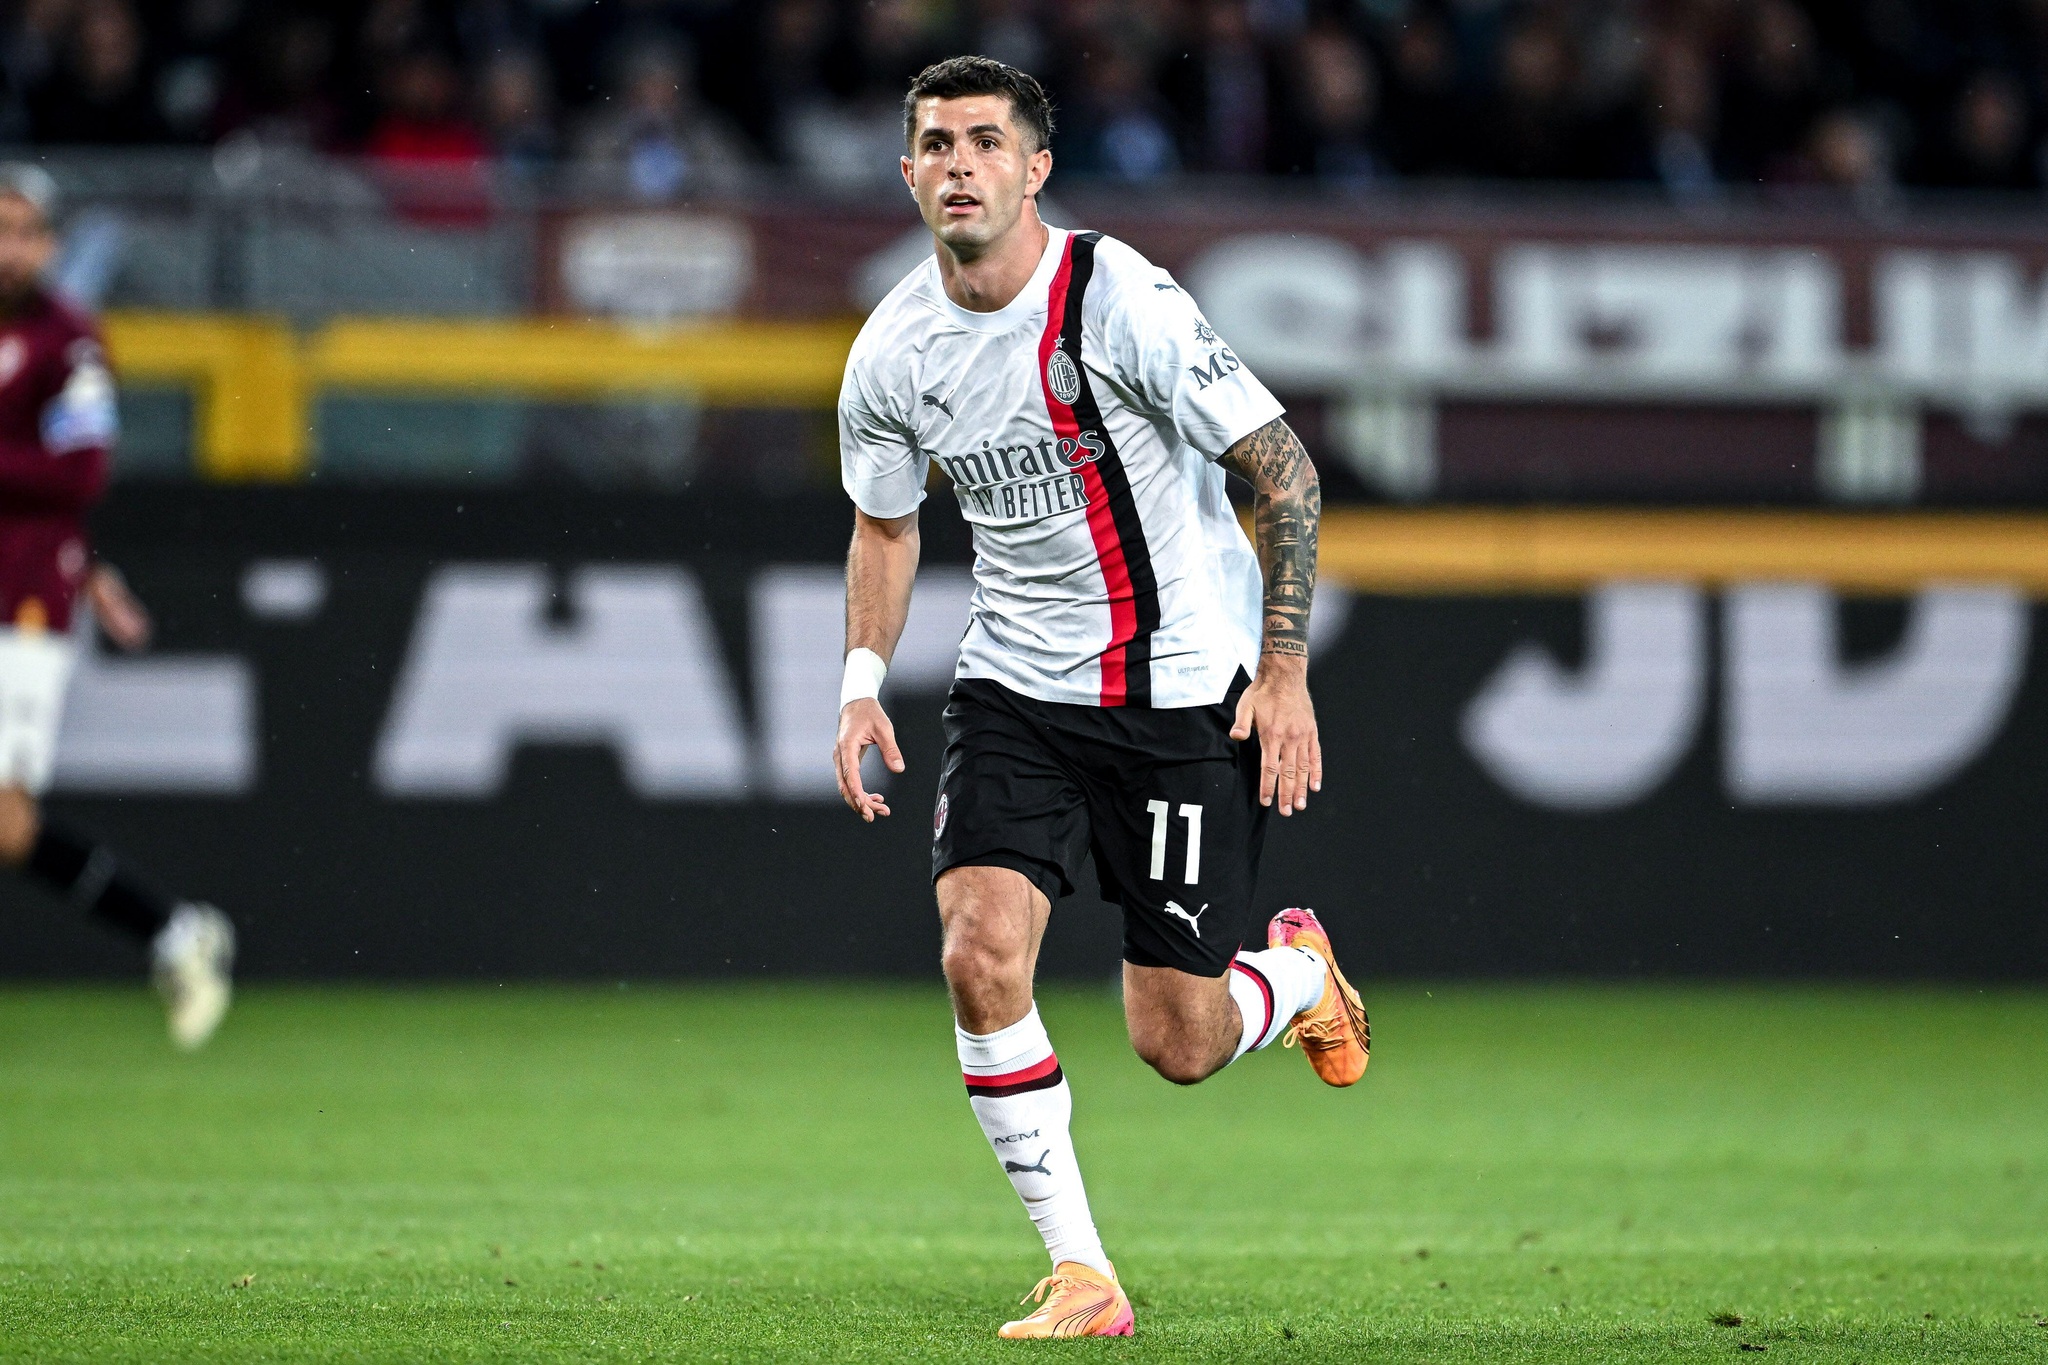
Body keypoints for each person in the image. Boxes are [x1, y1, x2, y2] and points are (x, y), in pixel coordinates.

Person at [832, 56, 1368, 1340]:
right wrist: (859, 684)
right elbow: (885, 527)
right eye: (934, 144)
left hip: (1177, 697)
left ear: (1034, 169)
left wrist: (1282, 669)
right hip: (1011, 687)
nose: (958, 164)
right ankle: (1083, 1272)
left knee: (1176, 1041)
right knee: (976, 950)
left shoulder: (1116, 300)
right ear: (907, 174)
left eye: (983, 142)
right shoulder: (893, 346)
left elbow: (1282, 471)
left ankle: (1293, 978)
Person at [0, 164, 233, 1049]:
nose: (9, 247)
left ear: (51, 246)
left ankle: (172, 931)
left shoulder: (69, 343)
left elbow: (80, 471)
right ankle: (173, 932)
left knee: (6, 820)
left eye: (25, 230)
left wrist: (78, 562)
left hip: (20, 602)